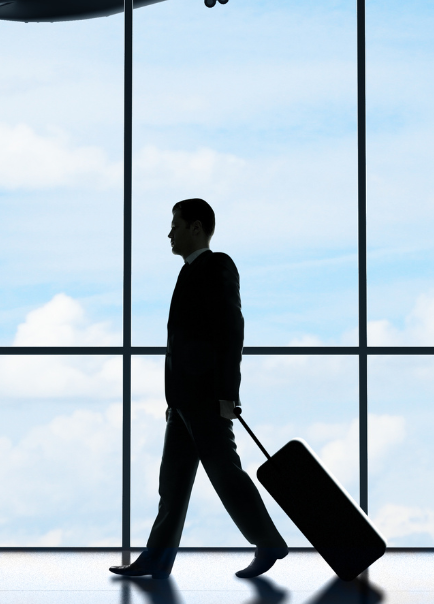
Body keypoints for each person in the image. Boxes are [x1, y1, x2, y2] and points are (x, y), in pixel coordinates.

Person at [110, 198, 288, 581]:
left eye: (175, 224)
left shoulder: (217, 265)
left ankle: (269, 542)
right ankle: (156, 560)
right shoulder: (187, 273)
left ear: (196, 227)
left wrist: (228, 394)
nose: (169, 232)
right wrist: (172, 400)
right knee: (171, 485)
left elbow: (231, 331)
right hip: (183, 403)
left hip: (207, 399)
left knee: (225, 475)